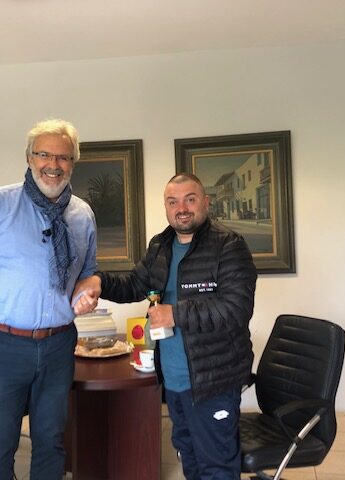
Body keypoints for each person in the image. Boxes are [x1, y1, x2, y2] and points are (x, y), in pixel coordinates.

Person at [73, 172, 257, 479]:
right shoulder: (161, 245)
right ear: (166, 207)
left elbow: (236, 308)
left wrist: (175, 314)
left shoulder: (228, 245)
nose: (181, 208)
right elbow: (135, 284)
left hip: (213, 382)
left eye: (189, 199)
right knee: (190, 460)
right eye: (173, 202)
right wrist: (99, 281)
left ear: (206, 202)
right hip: (173, 381)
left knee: (217, 467)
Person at [0, 119, 98, 480]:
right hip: (2, 346)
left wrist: (88, 289)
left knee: (51, 444)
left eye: (63, 157)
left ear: (73, 163)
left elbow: (89, 271)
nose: (53, 164)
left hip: (59, 345)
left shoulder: (83, 214)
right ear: (29, 158)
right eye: (44, 154)